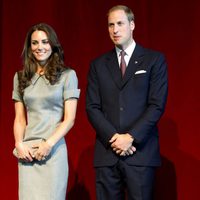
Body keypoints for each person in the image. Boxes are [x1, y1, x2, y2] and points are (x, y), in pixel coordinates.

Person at [86, 5, 168, 200]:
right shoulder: (98, 65)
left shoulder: (154, 60)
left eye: (120, 23)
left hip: (140, 153)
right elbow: (92, 107)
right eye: (110, 25)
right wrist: (115, 138)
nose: (115, 30)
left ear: (132, 25)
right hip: (107, 153)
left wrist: (130, 137)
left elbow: (156, 105)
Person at [12, 23, 80, 200]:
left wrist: (48, 144)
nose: (39, 47)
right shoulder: (20, 77)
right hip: (27, 153)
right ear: (29, 47)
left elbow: (69, 119)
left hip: (52, 152)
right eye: (35, 43)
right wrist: (19, 143)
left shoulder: (67, 75)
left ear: (53, 45)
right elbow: (19, 118)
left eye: (45, 42)